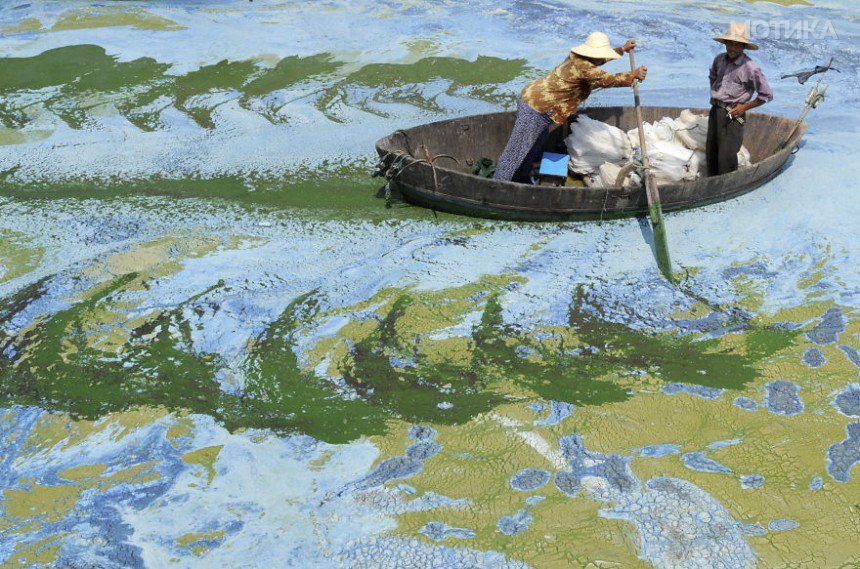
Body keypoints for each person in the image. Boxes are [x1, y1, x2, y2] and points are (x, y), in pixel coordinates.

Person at [493, 32, 647, 183]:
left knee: (535, 144)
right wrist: (633, 75)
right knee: (516, 151)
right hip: (536, 107)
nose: (601, 58)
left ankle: (520, 177)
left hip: (534, 97)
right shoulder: (585, 68)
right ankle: (498, 185)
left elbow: (600, 61)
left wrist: (622, 49)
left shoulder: (577, 55)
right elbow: (608, 80)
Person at [707, 23, 773, 176]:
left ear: (744, 47)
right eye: (730, 43)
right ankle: (711, 184)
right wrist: (713, 94)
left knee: (727, 154)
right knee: (712, 149)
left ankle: (726, 186)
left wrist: (744, 108)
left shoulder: (751, 67)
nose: (733, 48)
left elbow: (766, 95)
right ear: (725, 44)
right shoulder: (719, 60)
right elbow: (712, 76)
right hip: (716, 110)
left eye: (738, 45)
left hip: (733, 114)